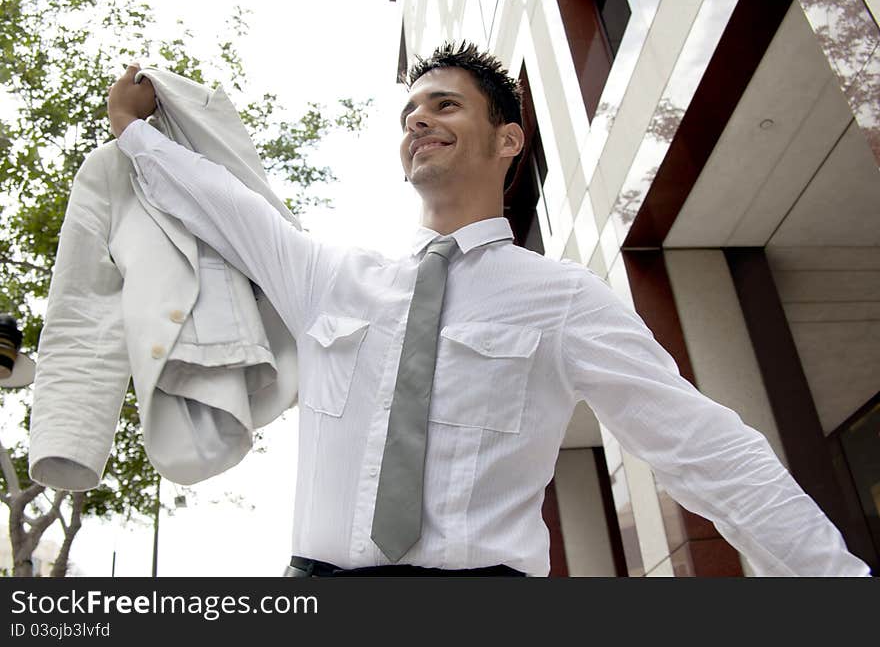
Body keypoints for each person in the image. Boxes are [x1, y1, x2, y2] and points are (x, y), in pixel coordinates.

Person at [106, 42, 871, 577]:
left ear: (508, 139)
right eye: (409, 111)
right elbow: (226, 208)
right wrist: (136, 131)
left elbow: (708, 452)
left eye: (445, 105)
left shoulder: (563, 299)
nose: (417, 120)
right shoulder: (329, 277)